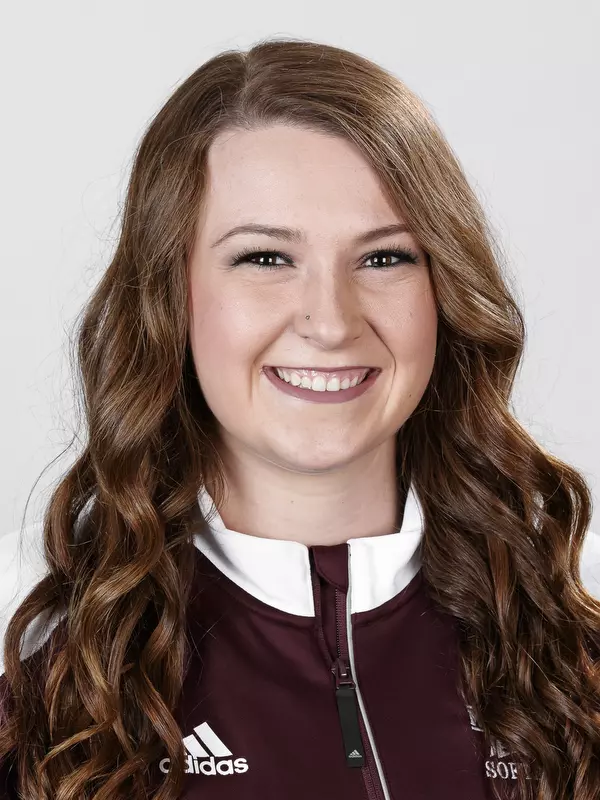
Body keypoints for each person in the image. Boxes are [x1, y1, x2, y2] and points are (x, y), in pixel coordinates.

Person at [1, 37, 599, 800]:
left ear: (445, 291)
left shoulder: (574, 603)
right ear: (170, 296)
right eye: (265, 259)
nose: (331, 321)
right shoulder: (25, 625)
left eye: (384, 258)